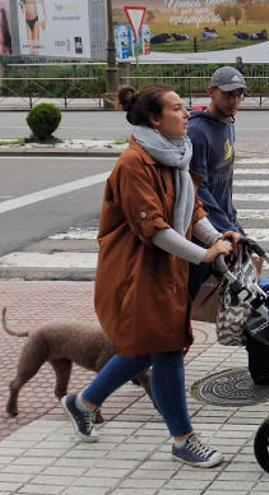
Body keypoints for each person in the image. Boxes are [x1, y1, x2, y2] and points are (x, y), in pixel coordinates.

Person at [60, 85, 234, 468]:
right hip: (136, 274)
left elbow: (193, 210)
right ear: (155, 119)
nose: (187, 113)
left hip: (166, 269)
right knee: (166, 346)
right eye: (177, 108)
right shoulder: (134, 164)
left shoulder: (175, 157)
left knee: (143, 348)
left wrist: (219, 238)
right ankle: (183, 439)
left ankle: (83, 402)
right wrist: (205, 254)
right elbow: (154, 230)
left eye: (185, 107)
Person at [187, 66, 269, 385]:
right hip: (205, 235)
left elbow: (223, 184)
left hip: (226, 228)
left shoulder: (228, 124)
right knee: (236, 299)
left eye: (239, 94)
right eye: (228, 94)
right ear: (211, 92)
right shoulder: (198, 131)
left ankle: (266, 364)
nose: (235, 100)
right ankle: (137, 359)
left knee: (248, 296)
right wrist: (224, 228)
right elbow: (198, 188)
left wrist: (235, 222)